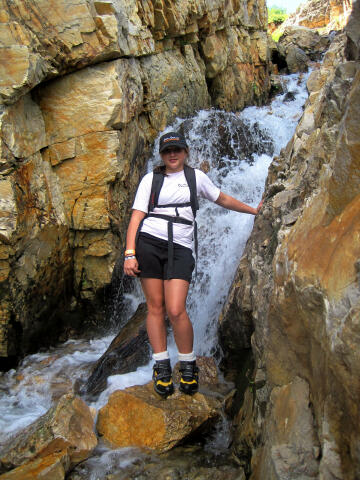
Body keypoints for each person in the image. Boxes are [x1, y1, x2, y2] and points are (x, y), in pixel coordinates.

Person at [124, 131, 262, 398]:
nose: (172, 155)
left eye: (176, 150)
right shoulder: (150, 180)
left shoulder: (195, 177)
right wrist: (130, 253)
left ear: (185, 152)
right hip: (149, 244)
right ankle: (162, 366)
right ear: (162, 156)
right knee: (155, 307)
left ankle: (188, 364)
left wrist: (253, 210)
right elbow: (136, 217)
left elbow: (221, 198)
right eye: (167, 151)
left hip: (181, 248)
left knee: (176, 309)